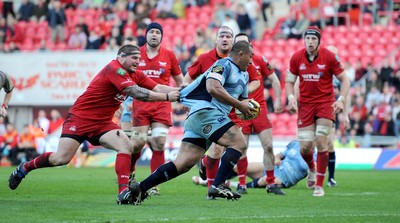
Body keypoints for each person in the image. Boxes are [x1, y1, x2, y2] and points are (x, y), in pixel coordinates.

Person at [8, 44, 180, 205]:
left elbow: (158, 87)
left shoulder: (135, 73)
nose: (138, 61)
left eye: (139, 58)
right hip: (80, 119)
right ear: (121, 57)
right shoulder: (115, 69)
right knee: (60, 159)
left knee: (126, 145)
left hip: (102, 123)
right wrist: (167, 98)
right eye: (134, 58)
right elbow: (137, 93)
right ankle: (25, 167)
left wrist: (182, 91)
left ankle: (123, 193)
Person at [130, 41, 256, 205]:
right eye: (250, 56)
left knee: (183, 164)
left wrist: (248, 109)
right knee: (239, 142)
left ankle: (140, 188)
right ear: (241, 54)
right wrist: (240, 105)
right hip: (206, 112)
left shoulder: (245, 75)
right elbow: (212, 88)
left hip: (201, 118)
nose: (251, 61)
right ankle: (217, 185)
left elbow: (243, 101)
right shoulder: (223, 65)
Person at [184, 27, 259, 193]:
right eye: (222, 36)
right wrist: (188, 99)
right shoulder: (205, 58)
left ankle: (230, 184)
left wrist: (242, 96)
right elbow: (188, 77)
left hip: (234, 108)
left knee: (239, 146)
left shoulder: (244, 58)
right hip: (213, 109)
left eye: (228, 36)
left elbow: (255, 81)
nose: (225, 39)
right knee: (217, 150)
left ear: (233, 42)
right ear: (216, 39)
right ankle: (214, 185)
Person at [285, 26, 350, 197]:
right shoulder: (296, 57)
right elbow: (289, 81)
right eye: (307, 39)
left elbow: (345, 80)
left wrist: (341, 100)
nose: (310, 42)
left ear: (319, 42)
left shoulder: (329, 57)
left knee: (322, 142)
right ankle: (311, 168)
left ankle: (319, 185)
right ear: (304, 40)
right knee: (305, 147)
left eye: (314, 39)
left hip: (325, 104)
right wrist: (291, 97)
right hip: (305, 106)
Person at [128, 22, 184, 196]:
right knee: (137, 143)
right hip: (141, 104)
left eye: (157, 32)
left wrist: (185, 95)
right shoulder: (136, 54)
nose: (154, 35)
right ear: (146, 35)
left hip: (162, 104)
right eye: (151, 32)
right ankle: (130, 175)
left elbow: (180, 81)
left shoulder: (169, 55)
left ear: (161, 36)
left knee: (159, 142)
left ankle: (153, 184)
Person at [234, 33, 284, 195]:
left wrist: (278, 101)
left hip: (259, 108)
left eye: (244, 43)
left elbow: (274, 80)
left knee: (268, 145)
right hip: (241, 109)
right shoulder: (230, 63)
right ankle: (241, 184)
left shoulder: (260, 60)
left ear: (250, 45)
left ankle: (270, 182)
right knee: (242, 148)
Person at [192, 140, 308, 189]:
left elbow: (312, 172)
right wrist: (277, 159)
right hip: (274, 168)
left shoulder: (315, 157)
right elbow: (279, 155)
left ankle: (230, 184)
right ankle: (216, 181)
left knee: (266, 179)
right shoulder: (295, 144)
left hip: (283, 178)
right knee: (238, 168)